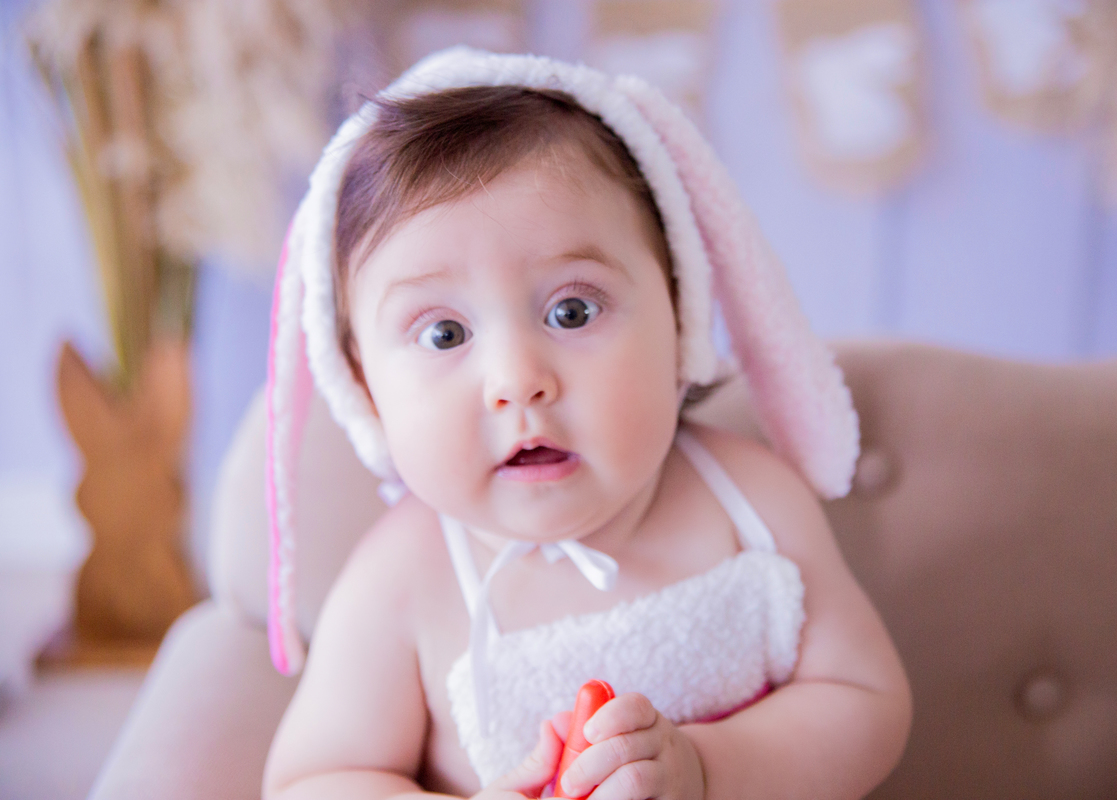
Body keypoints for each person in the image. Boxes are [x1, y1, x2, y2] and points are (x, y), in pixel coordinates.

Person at [260, 48, 911, 800]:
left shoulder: (751, 501)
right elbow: (313, 781)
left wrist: (709, 770)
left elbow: (865, 702)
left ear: (679, 316)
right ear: (365, 385)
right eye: (444, 334)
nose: (516, 380)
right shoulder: (401, 583)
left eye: (572, 310)